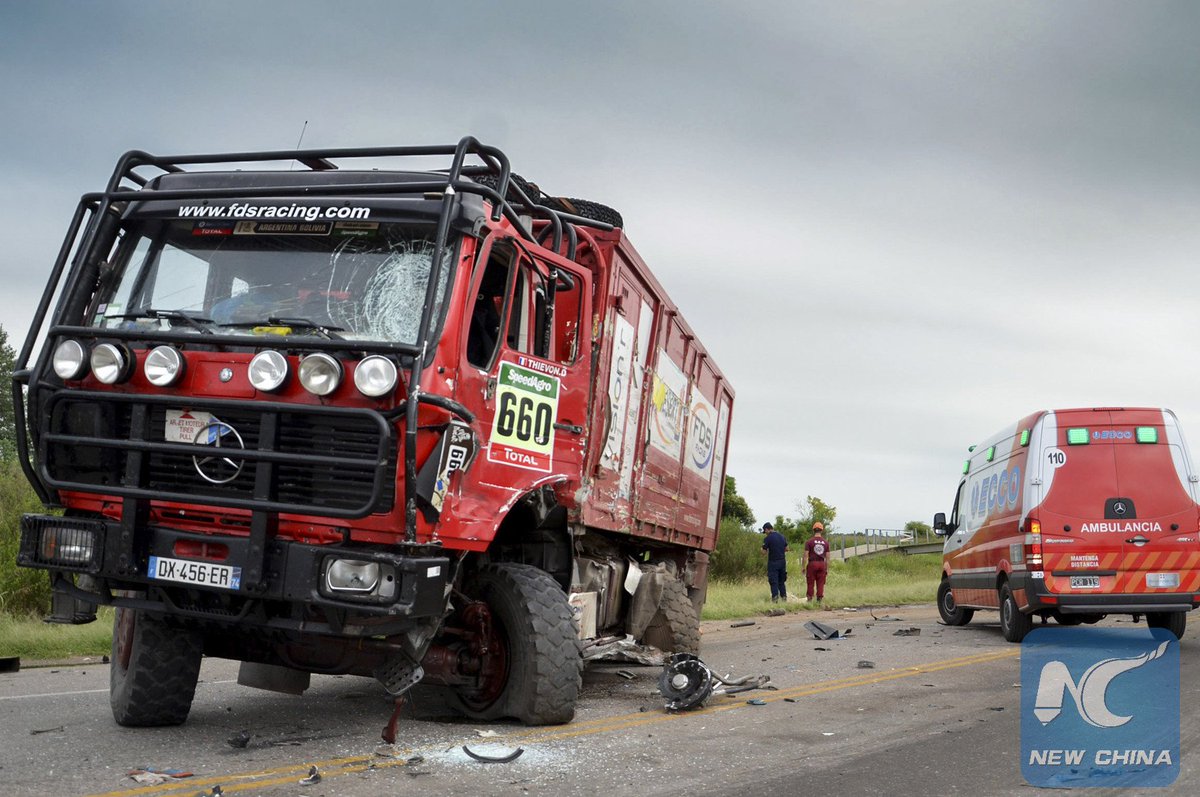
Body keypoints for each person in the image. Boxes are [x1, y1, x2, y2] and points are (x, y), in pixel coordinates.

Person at [760, 521, 789, 602]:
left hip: (773, 562)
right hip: (782, 562)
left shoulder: (768, 538)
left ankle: (775, 599)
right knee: (781, 581)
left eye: (765, 531)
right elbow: (787, 549)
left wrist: (761, 549)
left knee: (773, 581)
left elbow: (764, 552)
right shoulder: (782, 536)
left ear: (767, 529)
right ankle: (784, 598)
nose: (765, 533)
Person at [804, 521, 830, 603]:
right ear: (822, 530)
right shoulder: (826, 543)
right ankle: (819, 600)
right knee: (821, 582)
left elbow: (805, 556)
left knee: (810, 582)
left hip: (812, 563)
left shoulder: (809, 542)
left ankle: (810, 599)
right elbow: (828, 558)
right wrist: (827, 568)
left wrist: (803, 567)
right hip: (822, 563)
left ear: (813, 530)